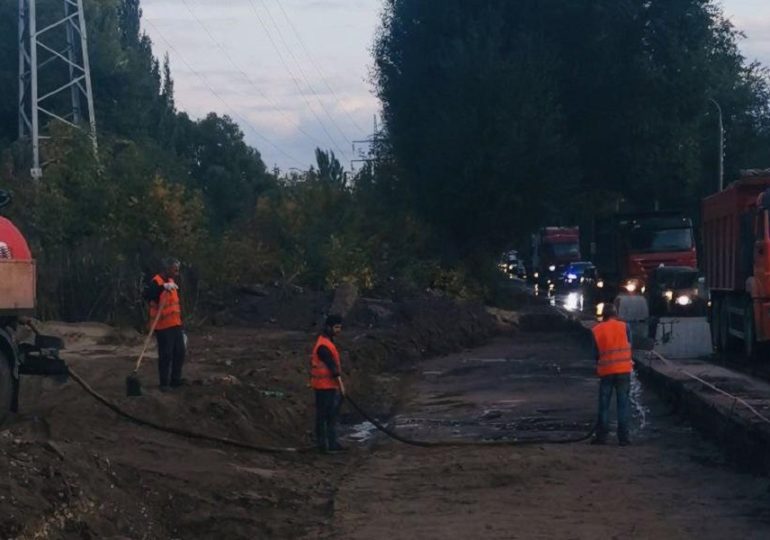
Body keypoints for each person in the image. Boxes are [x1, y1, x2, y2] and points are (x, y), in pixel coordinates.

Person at [591, 303, 633, 446]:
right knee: (623, 405)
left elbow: (596, 353)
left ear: (603, 315)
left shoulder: (597, 330)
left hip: (606, 371)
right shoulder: (624, 326)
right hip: (623, 370)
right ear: (616, 314)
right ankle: (624, 438)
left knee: (604, 405)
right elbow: (630, 345)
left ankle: (601, 437)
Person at [144, 257, 186, 391]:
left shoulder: (172, 281)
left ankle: (176, 379)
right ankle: (164, 383)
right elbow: (148, 295)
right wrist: (162, 287)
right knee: (166, 354)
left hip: (175, 324)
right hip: (162, 326)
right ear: (167, 269)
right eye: (175, 270)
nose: (177, 273)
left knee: (179, 352)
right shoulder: (156, 281)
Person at [310, 314, 346, 454]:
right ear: (328, 327)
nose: (339, 330)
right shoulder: (323, 346)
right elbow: (332, 367)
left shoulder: (326, 342)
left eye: (340, 327)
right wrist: (341, 384)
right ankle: (323, 445)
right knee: (324, 416)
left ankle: (331, 443)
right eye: (336, 327)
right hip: (323, 386)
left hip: (329, 386)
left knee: (330, 416)